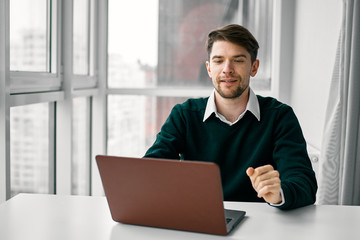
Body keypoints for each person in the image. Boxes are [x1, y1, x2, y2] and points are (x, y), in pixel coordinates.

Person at [144, 24, 317, 210]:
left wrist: (278, 194)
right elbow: (150, 171)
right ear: (209, 69)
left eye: (238, 60)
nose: (227, 69)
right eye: (218, 61)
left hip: (261, 225)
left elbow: (304, 184)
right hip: (198, 220)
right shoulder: (184, 115)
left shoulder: (280, 117)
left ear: (254, 67)